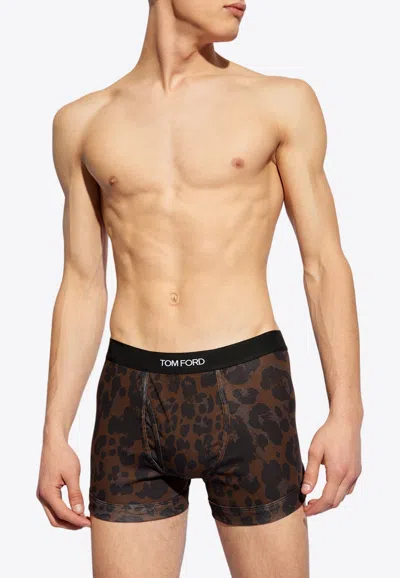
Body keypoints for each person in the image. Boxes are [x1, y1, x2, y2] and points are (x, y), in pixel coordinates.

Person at [37, 1, 363, 577]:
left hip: (247, 387)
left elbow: (323, 263)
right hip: (130, 395)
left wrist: (347, 412)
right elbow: (83, 282)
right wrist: (54, 431)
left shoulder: (279, 102)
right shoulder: (83, 121)